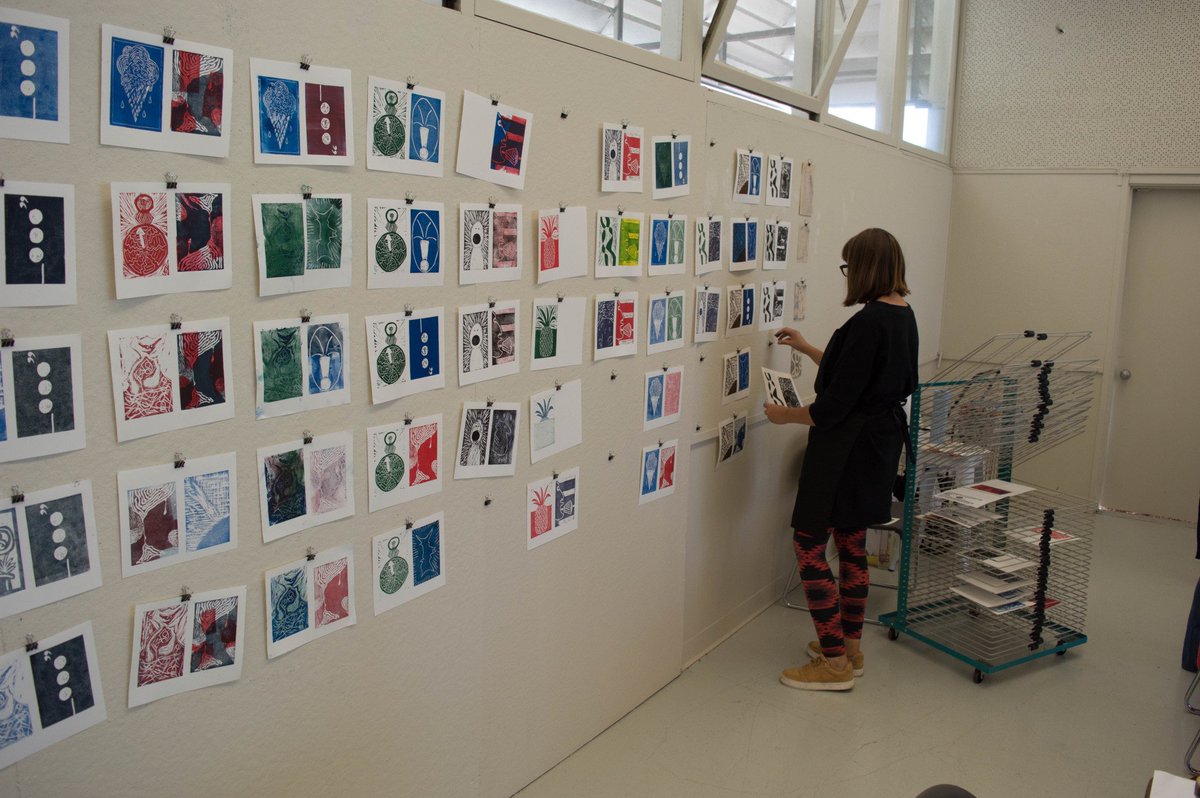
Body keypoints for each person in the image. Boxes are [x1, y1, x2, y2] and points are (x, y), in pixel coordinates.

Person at [764, 227, 919, 691]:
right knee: (852, 542)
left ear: (865, 268)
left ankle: (832, 664)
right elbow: (860, 375)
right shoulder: (902, 315)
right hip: (878, 446)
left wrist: (785, 416)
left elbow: (832, 407)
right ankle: (850, 649)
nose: (847, 274)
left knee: (809, 542)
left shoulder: (869, 322)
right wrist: (808, 347)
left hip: (845, 450)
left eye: (849, 266)